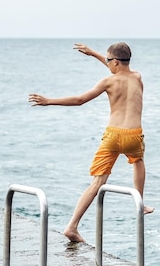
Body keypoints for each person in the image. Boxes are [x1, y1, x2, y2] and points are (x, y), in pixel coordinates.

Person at [28, 42, 153, 243]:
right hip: (133, 135)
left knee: (97, 183)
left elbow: (80, 100)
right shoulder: (137, 77)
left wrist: (49, 101)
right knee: (137, 161)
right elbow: (120, 70)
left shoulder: (107, 82)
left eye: (108, 60)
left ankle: (72, 226)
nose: (108, 63)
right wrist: (94, 54)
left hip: (112, 136)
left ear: (115, 63)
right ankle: (140, 203)